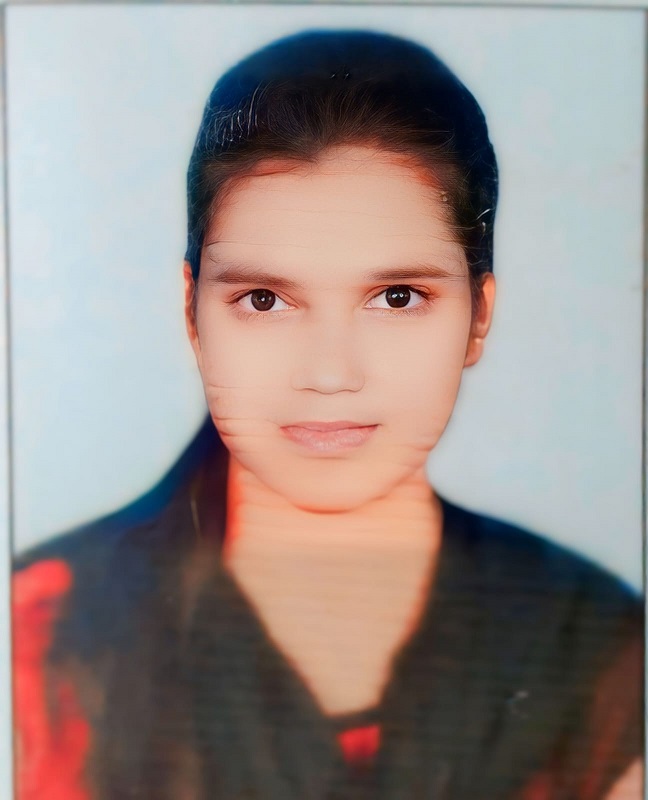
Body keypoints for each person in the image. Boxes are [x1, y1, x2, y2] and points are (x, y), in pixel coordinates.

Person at [12, 29, 642, 800]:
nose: (330, 373)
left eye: (397, 297)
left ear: (479, 316)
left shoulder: (599, 647)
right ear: (191, 313)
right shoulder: (36, 634)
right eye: (265, 300)